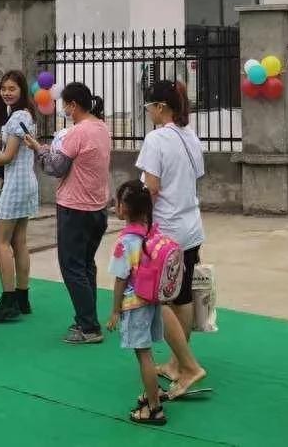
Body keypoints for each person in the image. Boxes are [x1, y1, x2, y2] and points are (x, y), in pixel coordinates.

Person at [135, 80, 208, 399]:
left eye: (149, 107)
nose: (148, 112)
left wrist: (139, 223)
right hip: (191, 227)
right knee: (182, 297)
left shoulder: (156, 139)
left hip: (165, 231)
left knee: (156, 300)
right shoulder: (190, 135)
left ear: (161, 107)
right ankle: (177, 363)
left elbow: (151, 188)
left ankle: (188, 366)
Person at [24, 81, 112, 344]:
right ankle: (88, 318)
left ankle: (89, 326)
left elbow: (55, 168)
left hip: (75, 207)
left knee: (72, 267)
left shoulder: (77, 132)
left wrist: (38, 149)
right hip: (98, 206)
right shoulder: (102, 128)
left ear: (73, 105)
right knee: (85, 265)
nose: (63, 109)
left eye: (65, 105)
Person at [0, 70, 38, 323]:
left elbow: (9, 155)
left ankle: (8, 301)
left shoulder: (17, 117)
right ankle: (22, 298)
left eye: (12, 88)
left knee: (0, 241)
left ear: (22, 90)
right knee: (19, 241)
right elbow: (14, 142)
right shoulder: (24, 114)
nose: (6, 93)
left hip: (15, 185)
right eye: (3, 88)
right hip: (27, 182)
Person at [107, 179, 167, 427]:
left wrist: (115, 310)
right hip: (152, 302)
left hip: (135, 304)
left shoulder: (126, 242)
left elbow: (121, 278)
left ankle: (154, 408)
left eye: (118, 202)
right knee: (146, 352)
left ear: (124, 208)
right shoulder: (153, 233)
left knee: (143, 355)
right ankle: (153, 392)